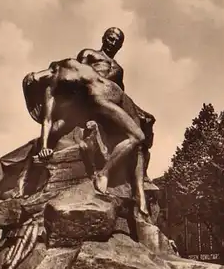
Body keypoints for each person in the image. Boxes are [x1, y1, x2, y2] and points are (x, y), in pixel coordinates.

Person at [23, 57, 145, 197]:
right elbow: (47, 120)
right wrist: (44, 147)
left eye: (31, 77)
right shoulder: (50, 88)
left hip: (114, 90)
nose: (34, 77)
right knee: (138, 136)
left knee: (142, 134)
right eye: (30, 81)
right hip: (99, 98)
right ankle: (104, 174)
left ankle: (140, 199)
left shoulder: (59, 64)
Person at [76, 27, 155, 216]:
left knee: (142, 131)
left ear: (120, 45)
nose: (112, 42)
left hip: (115, 104)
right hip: (97, 102)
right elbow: (76, 79)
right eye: (110, 38)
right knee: (137, 135)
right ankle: (106, 173)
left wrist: (141, 112)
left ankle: (140, 193)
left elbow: (122, 95)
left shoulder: (119, 69)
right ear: (104, 38)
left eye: (117, 41)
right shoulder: (89, 54)